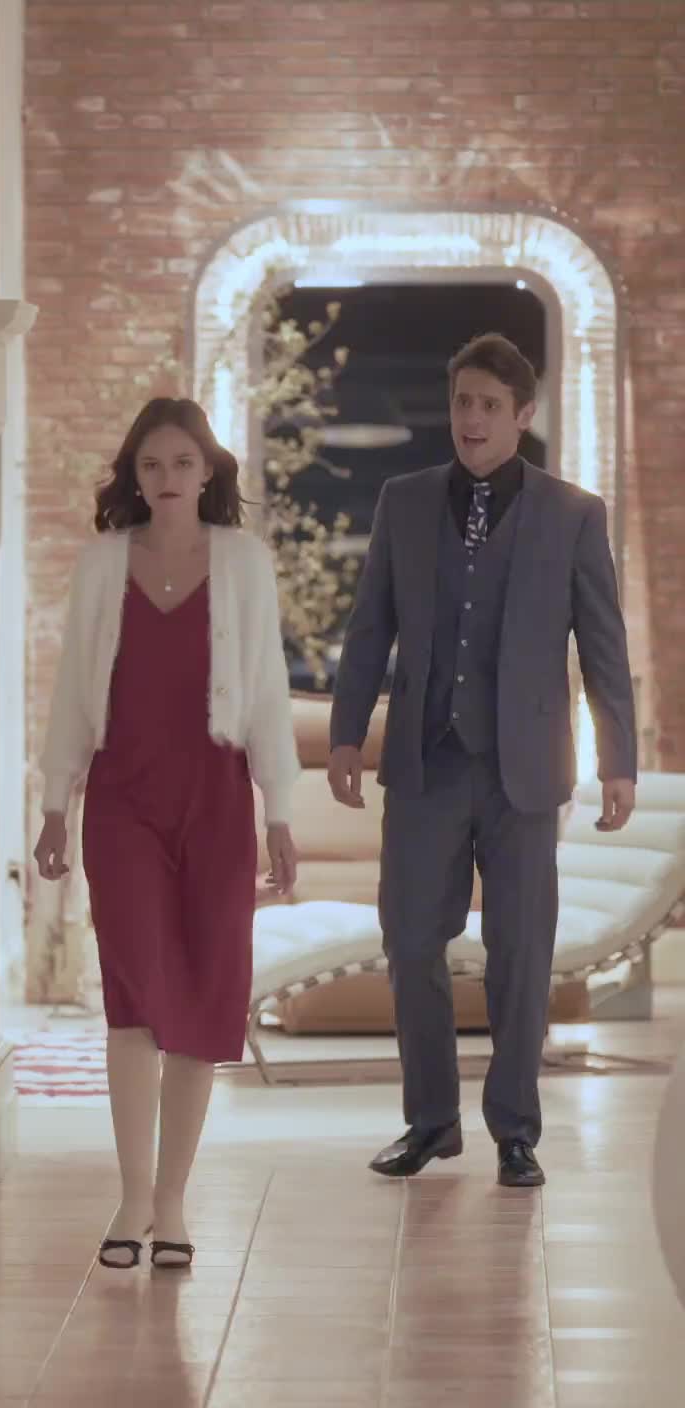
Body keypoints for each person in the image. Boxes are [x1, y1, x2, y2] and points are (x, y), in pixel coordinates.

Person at [328, 333, 637, 1189]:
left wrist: (618, 760)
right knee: (410, 942)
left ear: (523, 415)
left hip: (524, 772)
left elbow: (603, 645)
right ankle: (431, 1121)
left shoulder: (574, 515)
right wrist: (348, 733)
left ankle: (515, 1131)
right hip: (425, 764)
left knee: (521, 952)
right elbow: (369, 627)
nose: (471, 418)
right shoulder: (404, 501)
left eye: (489, 405)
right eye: (462, 401)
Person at [34, 397, 299, 1267]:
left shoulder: (244, 563)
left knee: (205, 995)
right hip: (123, 803)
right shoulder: (103, 563)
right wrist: (54, 803)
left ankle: (174, 1203)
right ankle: (131, 1197)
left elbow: (268, 692)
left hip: (217, 801)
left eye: (184, 462)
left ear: (208, 470)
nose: (168, 478)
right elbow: (73, 691)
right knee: (136, 994)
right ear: (135, 477)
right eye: (152, 465)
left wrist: (280, 811)